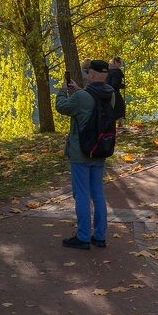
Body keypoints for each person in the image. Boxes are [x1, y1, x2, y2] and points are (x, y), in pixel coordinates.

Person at [56, 59, 116, 249]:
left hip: (81, 153)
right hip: (100, 150)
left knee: (81, 194)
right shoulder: (111, 94)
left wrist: (63, 90)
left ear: (90, 74)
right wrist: (78, 92)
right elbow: (89, 107)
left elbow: (62, 107)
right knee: (97, 194)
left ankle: (82, 237)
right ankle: (99, 237)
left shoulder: (82, 96)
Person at [106, 56, 127, 120]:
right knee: (121, 107)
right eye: (119, 62)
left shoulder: (109, 70)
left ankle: (112, 124)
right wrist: (123, 86)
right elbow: (115, 84)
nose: (120, 64)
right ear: (115, 62)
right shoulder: (117, 72)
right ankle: (120, 124)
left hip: (106, 91)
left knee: (111, 107)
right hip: (114, 92)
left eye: (120, 62)